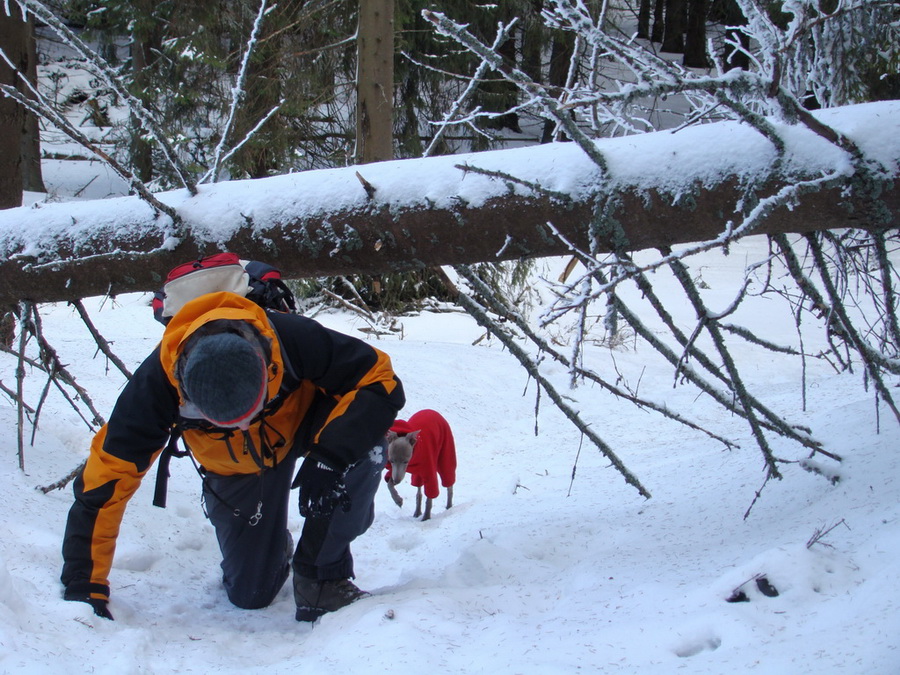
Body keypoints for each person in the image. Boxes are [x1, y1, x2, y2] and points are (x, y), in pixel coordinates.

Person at [60, 290, 405, 622]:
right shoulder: (155, 387)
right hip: (232, 469)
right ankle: (272, 545)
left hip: (300, 429)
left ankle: (321, 577)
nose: (242, 427)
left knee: (366, 443)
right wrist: (85, 583)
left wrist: (330, 456)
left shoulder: (289, 338)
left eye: (252, 411)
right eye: (223, 422)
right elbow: (104, 482)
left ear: (264, 365)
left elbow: (379, 379)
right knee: (251, 594)